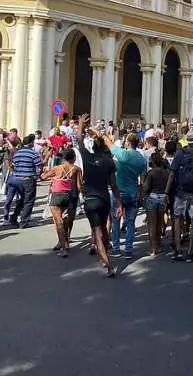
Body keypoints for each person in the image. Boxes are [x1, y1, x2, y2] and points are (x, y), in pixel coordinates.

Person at [77, 115, 122, 278]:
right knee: (103, 229)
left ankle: (108, 264)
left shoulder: (87, 158)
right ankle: (105, 256)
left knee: (97, 232)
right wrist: (119, 203)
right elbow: (114, 186)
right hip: (104, 200)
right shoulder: (109, 162)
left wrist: (81, 125)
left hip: (90, 200)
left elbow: (79, 140)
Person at [166, 130, 193, 262]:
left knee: (177, 219)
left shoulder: (179, 154)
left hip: (180, 192)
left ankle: (178, 249)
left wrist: (167, 191)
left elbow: (172, 173)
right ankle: (190, 252)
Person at [109, 132, 146, 259]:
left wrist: (99, 134)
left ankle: (116, 248)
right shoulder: (142, 159)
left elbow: (109, 144)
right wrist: (141, 194)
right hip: (133, 193)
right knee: (130, 222)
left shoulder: (123, 155)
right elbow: (143, 180)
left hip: (119, 193)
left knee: (115, 221)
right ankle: (128, 250)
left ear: (128, 143)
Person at [41, 148, 82, 257]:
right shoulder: (77, 169)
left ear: (64, 157)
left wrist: (48, 173)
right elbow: (79, 186)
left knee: (58, 221)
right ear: (74, 158)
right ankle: (65, 241)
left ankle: (64, 246)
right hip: (70, 195)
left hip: (57, 195)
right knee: (68, 219)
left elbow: (43, 177)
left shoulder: (57, 168)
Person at [5, 134, 43, 228]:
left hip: (17, 179)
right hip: (28, 179)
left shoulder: (18, 153)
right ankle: (24, 221)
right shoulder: (33, 154)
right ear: (31, 143)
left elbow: (13, 165)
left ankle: (13, 218)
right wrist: (38, 175)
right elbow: (39, 166)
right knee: (29, 201)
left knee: (22, 200)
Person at [142, 151, 170, 257]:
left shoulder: (151, 173)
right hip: (163, 197)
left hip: (153, 197)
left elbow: (146, 188)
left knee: (152, 224)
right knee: (159, 222)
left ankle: (153, 248)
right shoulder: (166, 172)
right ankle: (158, 243)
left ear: (152, 162)